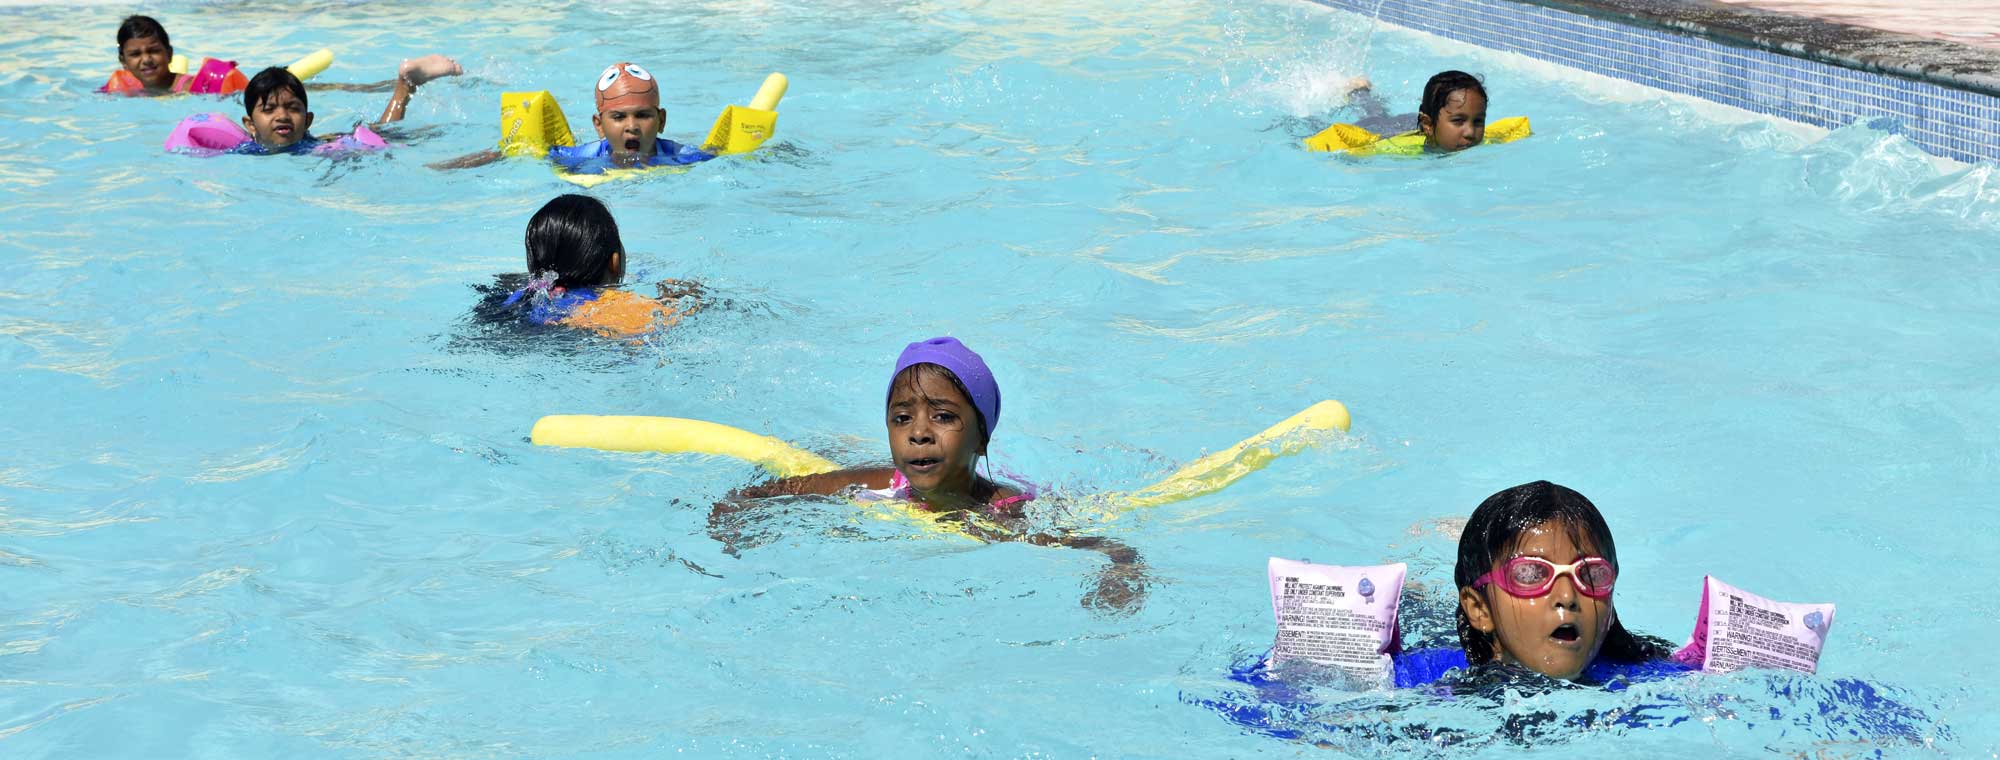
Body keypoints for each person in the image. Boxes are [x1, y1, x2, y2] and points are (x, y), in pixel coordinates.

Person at [708, 337, 1148, 613]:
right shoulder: (881, 483)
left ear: (981, 439)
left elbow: (1111, 548)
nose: (918, 433)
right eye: (902, 419)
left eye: (943, 416)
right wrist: (732, 524)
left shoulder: (1005, 515)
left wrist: (1119, 577)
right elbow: (764, 493)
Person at [476, 194, 700, 336]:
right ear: (614, 262)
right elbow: (661, 328)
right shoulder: (613, 306)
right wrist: (687, 299)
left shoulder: (518, 297)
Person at [433, 61, 716, 172]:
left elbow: (720, 154)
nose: (632, 127)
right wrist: (450, 165)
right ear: (599, 125)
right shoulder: (581, 157)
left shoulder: (684, 157)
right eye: (618, 117)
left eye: (643, 115)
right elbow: (520, 152)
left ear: (661, 120)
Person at [167, 60, 460, 156]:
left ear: (307, 120)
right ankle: (406, 84)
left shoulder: (319, 147)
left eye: (292, 108)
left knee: (385, 135)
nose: (282, 116)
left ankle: (406, 85)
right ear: (250, 124)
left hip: (324, 144)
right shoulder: (240, 150)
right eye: (269, 110)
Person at [1343, 70, 1488, 153]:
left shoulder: (1482, 140)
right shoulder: (1398, 147)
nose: (1470, 133)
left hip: (1416, 122)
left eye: (1478, 121)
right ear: (1428, 124)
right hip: (1382, 129)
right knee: (1375, 114)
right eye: (1458, 121)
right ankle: (1359, 91)